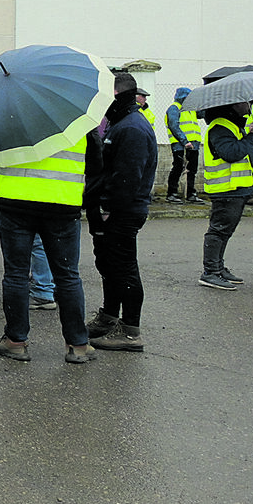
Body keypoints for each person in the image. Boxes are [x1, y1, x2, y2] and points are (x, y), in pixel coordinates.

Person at [0, 108, 103, 365]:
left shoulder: (10, 115)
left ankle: (15, 341)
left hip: (15, 202)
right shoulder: (79, 119)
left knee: (16, 274)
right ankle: (78, 344)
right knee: (67, 275)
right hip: (62, 204)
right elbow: (95, 165)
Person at [85, 73, 158, 349]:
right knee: (108, 265)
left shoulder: (131, 128)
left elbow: (127, 177)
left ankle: (130, 331)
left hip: (120, 212)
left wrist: (106, 208)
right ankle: (108, 317)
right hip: (110, 210)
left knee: (124, 267)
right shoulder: (118, 123)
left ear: (117, 95)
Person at [197, 99, 253, 289]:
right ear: (233, 104)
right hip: (226, 188)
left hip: (236, 188)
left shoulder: (232, 124)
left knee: (225, 231)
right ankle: (210, 272)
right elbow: (231, 153)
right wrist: (251, 137)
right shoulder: (220, 126)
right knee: (218, 230)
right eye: (245, 102)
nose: (249, 104)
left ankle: (218, 268)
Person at [166, 87, 202, 202]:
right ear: (183, 98)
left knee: (192, 170)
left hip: (193, 144)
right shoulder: (174, 108)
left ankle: (190, 194)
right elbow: (173, 126)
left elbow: (202, 113)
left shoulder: (190, 109)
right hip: (180, 145)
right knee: (178, 168)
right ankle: (172, 193)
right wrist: (184, 141)